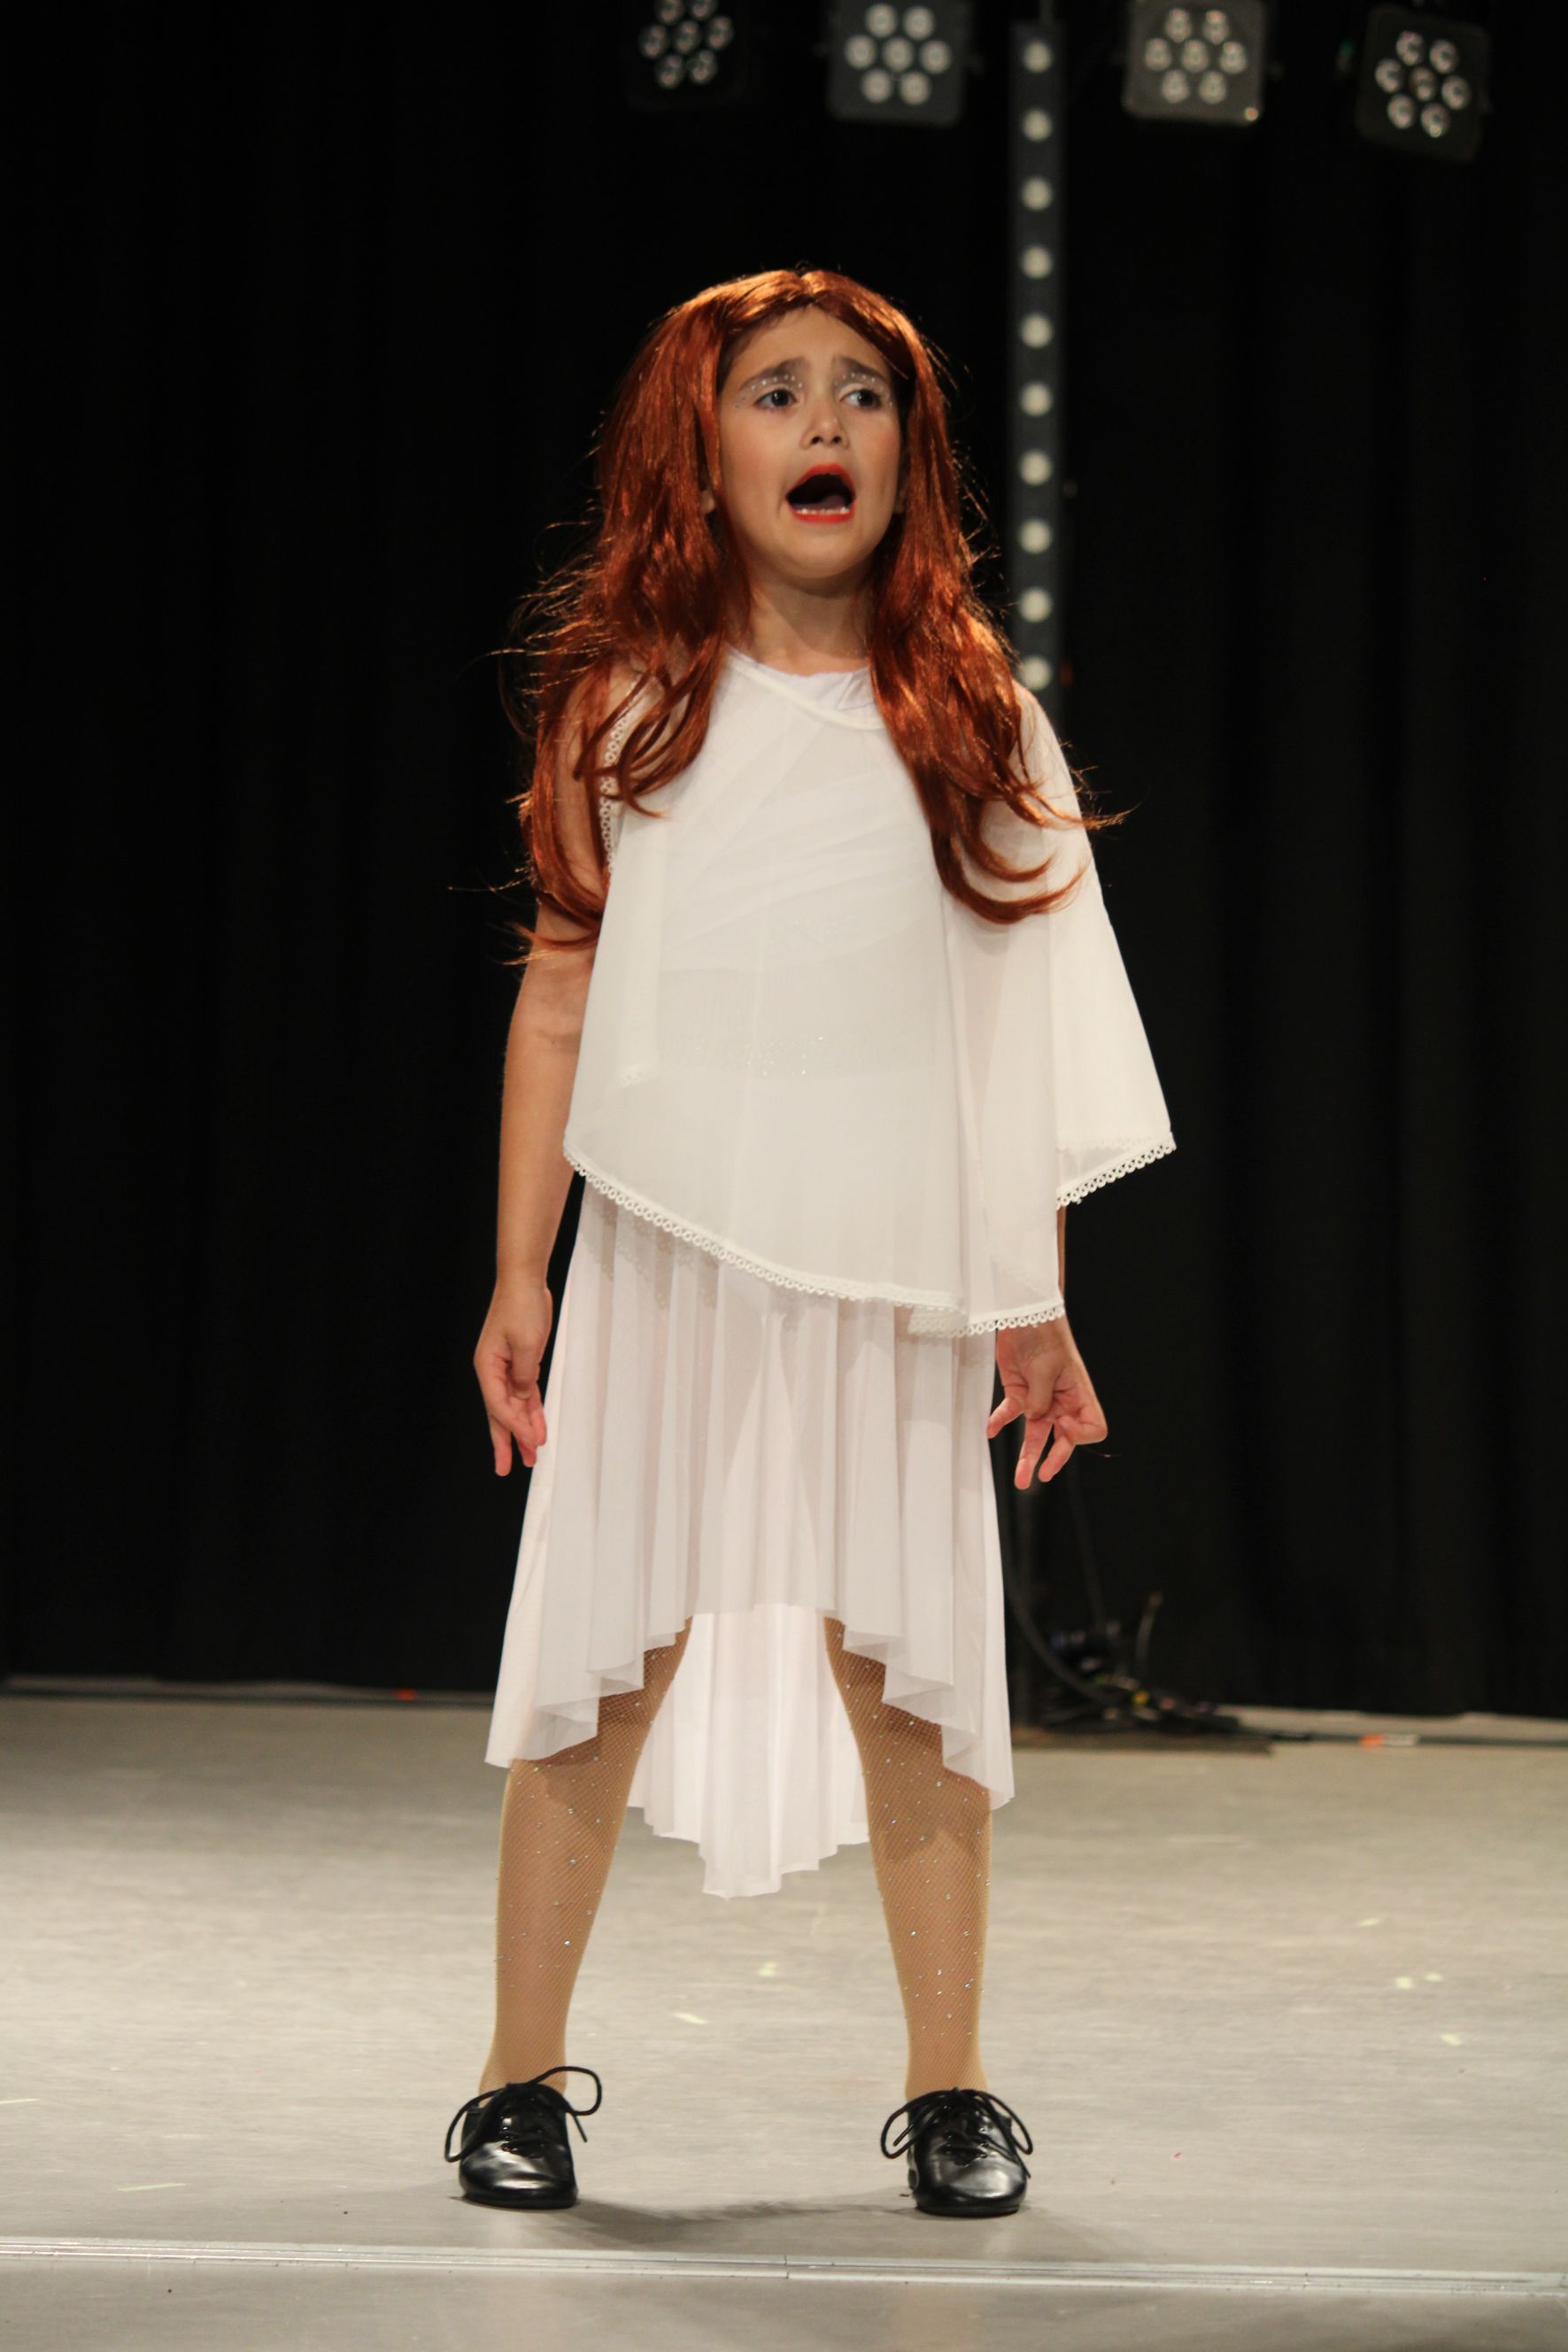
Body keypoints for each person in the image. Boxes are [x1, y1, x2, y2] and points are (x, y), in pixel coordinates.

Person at [442, 268, 1175, 2220]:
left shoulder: (965, 711)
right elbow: (558, 998)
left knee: (912, 1671)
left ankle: (950, 2087)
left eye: (862, 394)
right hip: (669, 1252)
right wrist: (524, 1274)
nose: (825, 423)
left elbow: (1010, 1036)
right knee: (598, 1658)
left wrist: (1032, 1298)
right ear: (704, 445)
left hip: (895, 1256)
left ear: (907, 453)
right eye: (776, 392)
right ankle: (516, 2078)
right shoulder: (629, 700)